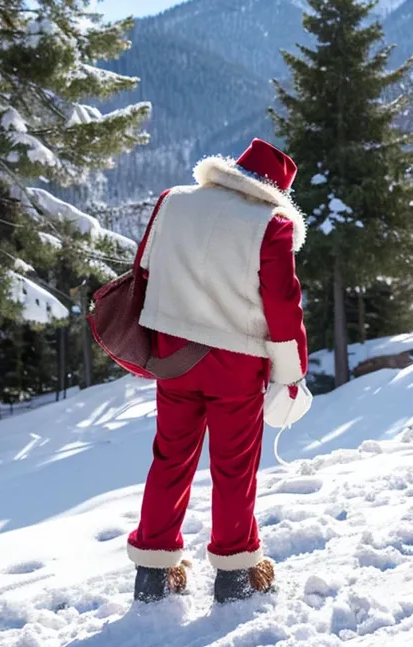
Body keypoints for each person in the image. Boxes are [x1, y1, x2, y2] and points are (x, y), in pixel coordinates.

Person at [127, 138, 308, 604]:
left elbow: (144, 269)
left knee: (170, 457)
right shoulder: (271, 226)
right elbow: (283, 308)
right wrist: (291, 373)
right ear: (274, 191)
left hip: (174, 355)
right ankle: (235, 572)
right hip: (236, 364)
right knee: (234, 468)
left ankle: (153, 568)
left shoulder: (173, 202)